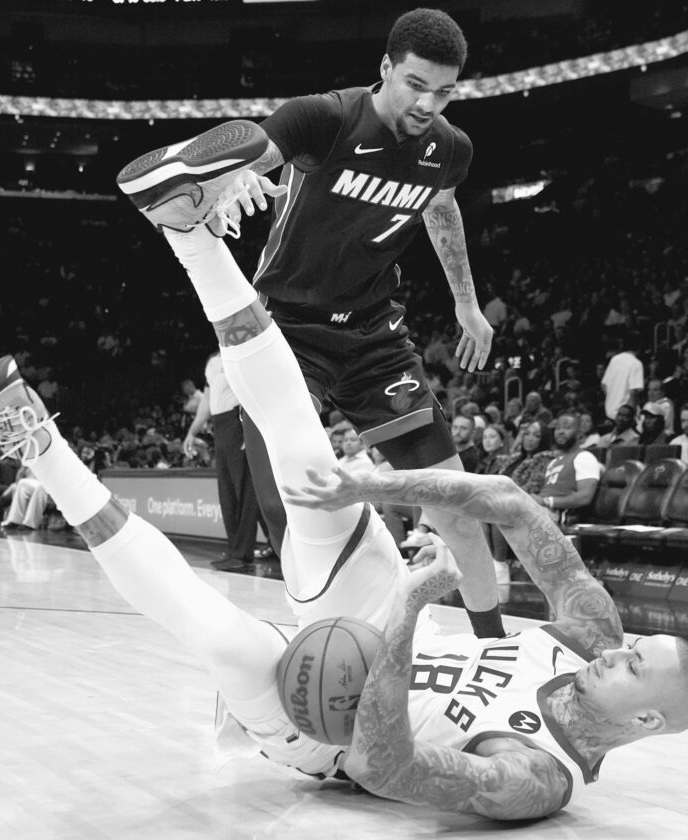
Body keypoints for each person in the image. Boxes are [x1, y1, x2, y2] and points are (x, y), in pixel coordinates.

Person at [0, 227, 688, 820]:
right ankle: (191, 231)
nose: (614, 651)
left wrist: (409, 610)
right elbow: (511, 503)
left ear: (646, 717)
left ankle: (34, 441)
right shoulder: (592, 634)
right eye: (630, 646)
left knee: (216, 634)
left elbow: (385, 768)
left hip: (324, 725)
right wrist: (373, 482)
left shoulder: (535, 777)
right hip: (377, 626)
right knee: (316, 475)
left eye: (631, 664)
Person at [117, 7, 506, 640]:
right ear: (385, 67)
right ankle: (322, 641)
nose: (427, 103)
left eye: (443, 92)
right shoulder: (325, 117)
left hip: (376, 336)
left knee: (455, 501)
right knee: (294, 509)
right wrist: (234, 180)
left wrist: (466, 303)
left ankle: (493, 645)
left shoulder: (450, 147)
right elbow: (260, 152)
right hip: (288, 333)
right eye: (415, 84)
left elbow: (442, 208)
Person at [184, 351, 264, 572]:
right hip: (220, 426)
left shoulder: (239, 354)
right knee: (227, 492)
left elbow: (254, 391)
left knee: (245, 491)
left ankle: (243, 553)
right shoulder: (212, 361)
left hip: (238, 421)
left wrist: (251, 431)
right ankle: (235, 550)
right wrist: (192, 432)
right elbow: (207, 401)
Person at [534, 412, 602, 525]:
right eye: (558, 428)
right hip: (541, 509)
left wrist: (547, 501)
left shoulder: (584, 457)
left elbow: (585, 497)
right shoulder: (554, 462)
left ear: (579, 434)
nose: (560, 432)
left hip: (559, 514)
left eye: (567, 428)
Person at [601, 333, 644, 422]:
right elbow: (633, 393)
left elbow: (604, 385)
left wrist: (613, 398)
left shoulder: (614, 359)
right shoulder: (636, 363)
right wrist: (629, 415)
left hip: (610, 412)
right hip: (624, 417)